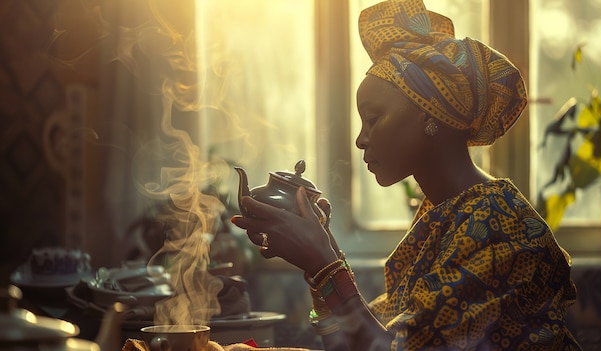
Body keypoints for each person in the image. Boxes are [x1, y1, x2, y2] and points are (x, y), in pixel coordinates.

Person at [231, 0, 582, 350]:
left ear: (430, 115)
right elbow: (358, 343)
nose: (360, 138)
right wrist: (320, 261)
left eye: (373, 117)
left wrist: (325, 264)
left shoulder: (497, 226)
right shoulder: (447, 213)